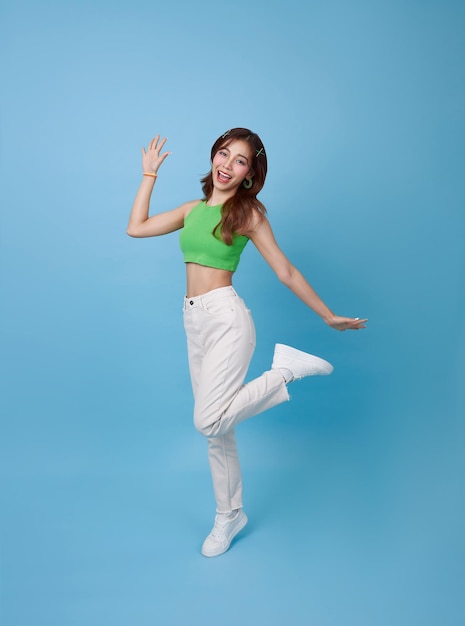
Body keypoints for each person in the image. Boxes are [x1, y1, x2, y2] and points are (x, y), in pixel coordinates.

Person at [127, 128, 367, 558]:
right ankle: (229, 516)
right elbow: (136, 228)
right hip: (193, 320)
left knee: (208, 420)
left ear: (249, 175)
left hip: (227, 319)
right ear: (213, 157)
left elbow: (286, 270)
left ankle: (285, 372)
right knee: (218, 431)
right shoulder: (191, 209)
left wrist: (328, 316)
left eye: (240, 161)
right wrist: (149, 175)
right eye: (224, 153)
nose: (227, 164)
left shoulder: (249, 214)